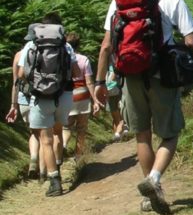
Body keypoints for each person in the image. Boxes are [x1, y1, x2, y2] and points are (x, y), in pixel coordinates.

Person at [95, 0, 193, 215]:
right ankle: (153, 180)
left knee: (142, 134)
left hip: (130, 75)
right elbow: (191, 41)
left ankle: (148, 198)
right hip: (162, 75)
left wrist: (99, 81)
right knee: (170, 133)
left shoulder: (119, 1)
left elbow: (107, 44)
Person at [15, 13, 79, 197]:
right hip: (64, 96)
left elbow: (20, 74)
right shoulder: (65, 45)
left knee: (46, 140)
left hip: (40, 97)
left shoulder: (31, 44)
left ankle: (54, 182)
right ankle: (58, 163)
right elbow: (75, 72)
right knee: (58, 132)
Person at [62, 32, 99, 170]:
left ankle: (63, 145)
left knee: (67, 127)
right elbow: (89, 82)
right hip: (82, 96)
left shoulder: (63, 58)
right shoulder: (84, 59)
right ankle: (78, 158)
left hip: (68, 95)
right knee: (81, 129)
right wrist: (95, 100)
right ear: (79, 44)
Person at [5, 41, 41, 180]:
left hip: (23, 98)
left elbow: (15, 82)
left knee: (33, 132)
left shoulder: (19, 55)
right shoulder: (49, 52)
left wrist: (13, 105)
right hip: (41, 97)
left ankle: (33, 159)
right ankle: (44, 171)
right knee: (43, 133)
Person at [104, 64, 127, 142]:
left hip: (109, 93)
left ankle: (117, 137)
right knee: (121, 116)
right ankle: (119, 134)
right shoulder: (116, 65)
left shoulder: (106, 67)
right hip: (118, 92)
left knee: (115, 117)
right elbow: (115, 79)